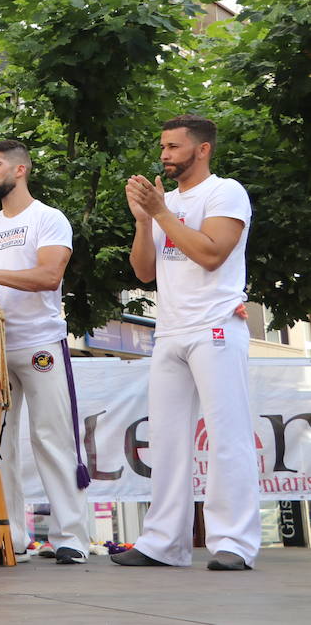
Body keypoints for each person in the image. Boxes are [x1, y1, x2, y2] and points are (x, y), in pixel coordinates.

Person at [114, 115, 258, 572]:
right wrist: (143, 221)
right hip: (171, 330)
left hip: (215, 327)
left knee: (227, 436)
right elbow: (143, 272)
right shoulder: (165, 202)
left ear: (203, 150)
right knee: (167, 441)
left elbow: (213, 255)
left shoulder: (225, 191)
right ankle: (163, 543)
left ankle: (233, 541)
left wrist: (159, 213)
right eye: (162, 146)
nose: (164, 155)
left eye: (174, 147)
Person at [0, 139, 90, 565]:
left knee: (53, 438)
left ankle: (71, 537)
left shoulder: (49, 218)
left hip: (40, 342)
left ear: (20, 169)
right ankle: (10, 534)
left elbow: (48, 276)